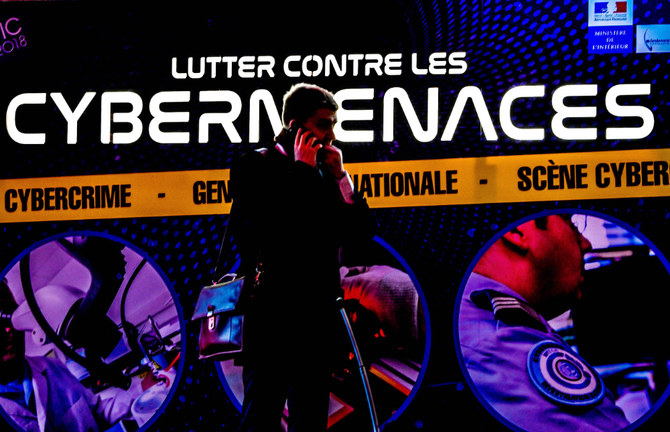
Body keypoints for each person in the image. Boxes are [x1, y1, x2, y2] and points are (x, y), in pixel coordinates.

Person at [229, 83, 376, 431]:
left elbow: (362, 233)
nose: (331, 134)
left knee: (310, 418)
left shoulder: (326, 172)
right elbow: (273, 230)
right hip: (271, 317)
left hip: (316, 319)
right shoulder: (253, 165)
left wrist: (341, 178)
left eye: (333, 124)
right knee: (261, 415)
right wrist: (303, 171)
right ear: (296, 126)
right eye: (324, 124)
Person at [457, 214, 630, 432]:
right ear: (517, 230)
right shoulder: (498, 344)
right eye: (572, 225)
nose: (587, 244)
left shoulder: (473, 321)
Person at [0, 281, 132, 432]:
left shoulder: (52, 366)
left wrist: (140, 394)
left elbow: (97, 412)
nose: (9, 328)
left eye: (8, 314)